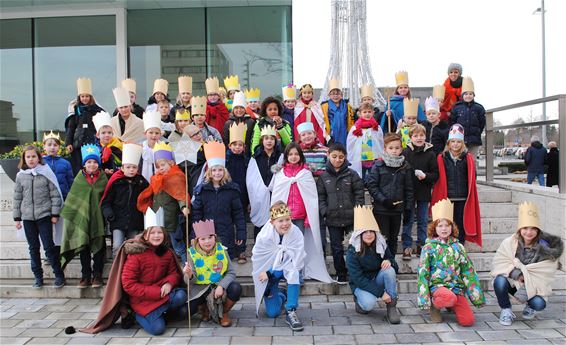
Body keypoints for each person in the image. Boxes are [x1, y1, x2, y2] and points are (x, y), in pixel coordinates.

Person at [491, 202, 564, 326]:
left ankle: (530, 306)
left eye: (533, 228)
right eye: (525, 228)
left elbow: (545, 272)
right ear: (520, 229)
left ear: (538, 230)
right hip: (513, 283)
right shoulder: (510, 242)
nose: (528, 232)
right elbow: (500, 263)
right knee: (499, 281)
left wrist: (528, 278)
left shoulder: (545, 248)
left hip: (535, 287)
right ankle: (506, 309)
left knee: (539, 303)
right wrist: (517, 274)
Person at [269, 143, 333, 283]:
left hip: (300, 215)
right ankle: (283, 270)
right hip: (283, 217)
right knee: (283, 244)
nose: (293, 157)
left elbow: (310, 197)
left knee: (298, 245)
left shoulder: (305, 173)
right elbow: (276, 193)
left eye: (296, 154)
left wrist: (309, 217)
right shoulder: (280, 173)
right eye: (290, 154)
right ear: (286, 156)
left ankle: (297, 272)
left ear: (301, 156)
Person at [417, 199, 485, 325]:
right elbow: (423, 273)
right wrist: (424, 298)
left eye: (447, 225)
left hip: (456, 287)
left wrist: (476, 297)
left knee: (468, 321)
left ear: (452, 227)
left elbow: (468, 271)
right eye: (440, 226)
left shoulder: (458, 247)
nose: (444, 229)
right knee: (448, 297)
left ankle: (450, 303)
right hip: (437, 286)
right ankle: (435, 306)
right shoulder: (429, 247)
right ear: (434, 228)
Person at [121, 207, 188, 336]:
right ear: (146, 235)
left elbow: (173, 273)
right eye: (152, 233)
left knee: (181, 298)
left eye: (160, 232)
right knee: (158, 330)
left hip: (163, 294)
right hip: (143, 300)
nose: (157, 236)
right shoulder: (136, 255)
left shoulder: (167, 253)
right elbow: (128, 284)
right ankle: (137, 315)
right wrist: (156, 292)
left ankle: (160, 314)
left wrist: (169, 283)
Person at [13, 145, 65, 289]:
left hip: (44, 216)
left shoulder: (45, 173)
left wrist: (55, 214)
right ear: (24, 159)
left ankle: (59, 275)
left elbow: (55, 195)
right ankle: (38, 276)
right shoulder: (21, 176)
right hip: (28, 217)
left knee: (49, 247)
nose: (31, 159)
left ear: (39, 157)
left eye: (33, 156)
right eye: (28, 157)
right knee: (33, 248)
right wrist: (17, 218)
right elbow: (17, 197)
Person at [252, 201, 307, 331]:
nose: (285, 224)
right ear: (272, 222)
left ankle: (291, 310)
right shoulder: (264, 236)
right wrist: (267, 274)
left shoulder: (296, 233)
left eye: (287, 219)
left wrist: (271, 272)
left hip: (282, 270)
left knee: (293, 273)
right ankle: (282, 295)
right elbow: (259, 258)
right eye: (280, 221)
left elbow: (296, 261)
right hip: (269, 273)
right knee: (273, 313)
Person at [60, 144, 108, 288]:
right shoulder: (79, 180)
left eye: (94, 162)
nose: (92, 165)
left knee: (99, 247)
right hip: (82, 220)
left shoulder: (104, 179)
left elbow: (108, 198)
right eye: (88, 162)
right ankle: (85, 275)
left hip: (99, 219)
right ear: (84, 164)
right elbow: (72, 201)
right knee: (84, 247)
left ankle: (97, 275)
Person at [317, 143, 365, 283]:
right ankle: (341, 273)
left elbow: (359, 194)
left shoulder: (352, 174)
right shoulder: (323, 177)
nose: (337, 160)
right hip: (333, 218)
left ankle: (355, 272)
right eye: (334, 157)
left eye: (341, 157)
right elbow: (320, 197)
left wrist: (358, 211)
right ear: (328, 156)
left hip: (351, 218)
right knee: (336, 247)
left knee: (354, 246)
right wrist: (325, 211)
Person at [192, 141, 247, 261]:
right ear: (209, 172)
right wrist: (196, 234)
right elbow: (197, 215)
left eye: (220, 170)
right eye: (214, 170)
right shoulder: (202, 190)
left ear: (225, 171)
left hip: (226, 232)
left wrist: (241, 233)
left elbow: (238, 214)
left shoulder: (232, 190)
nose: (217, 173)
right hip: (208, 235)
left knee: (224, 262)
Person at [137, 142, 190, 263]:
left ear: (171, 163)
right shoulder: (156, 179)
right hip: (158, 218)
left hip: (172, 218)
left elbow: (180, 194)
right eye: (158, 166)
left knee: (177, 243)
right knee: (162, 245)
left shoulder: (176, 177)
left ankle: (186, 265)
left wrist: (184, 207)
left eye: (163, 165)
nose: (160, 168)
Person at [183, 219, 242, 326]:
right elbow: (188, 282)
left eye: (210, 237)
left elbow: (231, 272)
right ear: (197, 240)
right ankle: (204, 308)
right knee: (185, 311)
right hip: (200, 288)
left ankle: (223, 313)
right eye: (203, 239)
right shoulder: (191, 253)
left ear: (215, 237)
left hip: (217, 285)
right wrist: (189, 274)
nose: (207, 241)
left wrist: (221, 286)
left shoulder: (222, 250)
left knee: (236, 288)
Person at [346, 206, 400, 323]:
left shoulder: (380, 245)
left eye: (371, 231)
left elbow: (396, 267)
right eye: (365, 232)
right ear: (359, 234)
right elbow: (358, 279)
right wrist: (381, 293)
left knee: (389, 270)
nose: (369, 234)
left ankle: (391, 306)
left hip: (376, 278)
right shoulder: (352, 251)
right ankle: (359, 301)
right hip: (361, 284)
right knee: (368, 305)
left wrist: (389, 261)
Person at [431, 124, 482, 246]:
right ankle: (446, 244)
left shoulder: (467, 158)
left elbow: (472, 176)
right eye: (453, 141)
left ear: (462, 143)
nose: (455, 144)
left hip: (463, 196)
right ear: (448, 143)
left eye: (458, 141)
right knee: (447, 222)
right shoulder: (442, 158)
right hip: (447, 197)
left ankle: (459, 245)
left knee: (460, 222)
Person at [366, 133, 413, 256]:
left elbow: (408, 189)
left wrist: (408, 208)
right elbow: (372, 186)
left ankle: (391, 263)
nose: (394, 151)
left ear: (401, 149)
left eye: (397, 148)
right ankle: (382, 262)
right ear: (385, 149)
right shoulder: (378, 165)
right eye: (391, 148)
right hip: (382, 209)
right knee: (383, 238)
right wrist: (383, 200)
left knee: (393, 238)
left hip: (397, 210)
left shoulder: (405, 167)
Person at [101, 143, 148, 257]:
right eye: (128, 167)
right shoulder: (116, 182)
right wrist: (109, 214)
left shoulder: (142, 183)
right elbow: (106, 201)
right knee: (117, 245)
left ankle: (131, 269)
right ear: (122, 168)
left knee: (134, 246)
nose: (131, 170)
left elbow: (147, 198)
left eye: (134, 167)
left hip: (135, 221)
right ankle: (118, 270)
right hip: (117, 220)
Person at [401, 124, 439, 260]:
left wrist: (426, 176)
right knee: (408, 220)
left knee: (423, 220)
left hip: (423, 191)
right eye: (415, 136)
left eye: (421, 135)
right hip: (409, 192)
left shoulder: (430, 153)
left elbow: (435, 174)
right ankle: (407, 246)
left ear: (425, 136)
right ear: (411, 138)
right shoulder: (405, 152)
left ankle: (422, 245)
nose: (419, 138)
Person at [246, 126, 283, 238]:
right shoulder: (256, 157)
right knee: (260, 226)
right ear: (262, 140)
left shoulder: (280, 157)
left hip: (275, 194)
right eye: (266, 138)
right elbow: (251, 180)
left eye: (272, 138)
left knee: (276, 223)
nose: (269, 141)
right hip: (259, 195)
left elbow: (282, 175)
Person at [65, 77, 104, 175]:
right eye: (82, 96)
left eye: (87, 96)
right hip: (78, 144)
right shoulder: (75, 110)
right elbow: (71, 128)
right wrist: (68, 143)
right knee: (79, 167)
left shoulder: (97, 110)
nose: (85, 98)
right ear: (79, 97)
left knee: (93, 166)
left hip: (93, 143)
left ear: (90, 97)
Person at [450, 77, 485, 162]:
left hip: (474, 140)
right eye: (466, 94)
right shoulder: (457, 107)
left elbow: (482, 123)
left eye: (470, 94)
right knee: (460, 161)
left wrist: (477, 132)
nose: (468, 96)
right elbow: (452, 122)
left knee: (472, 161)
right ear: (462, 95)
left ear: (473, 95)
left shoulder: (479, 108)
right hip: (460, 140)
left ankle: (473, 175)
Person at [346, 102, 384, 179]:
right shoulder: (355, 128)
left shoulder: (376, 127)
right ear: (359, 114)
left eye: (369, 112)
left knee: (373, 175)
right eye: (365, 112)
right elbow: (350, 142)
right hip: (360, 157)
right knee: (360, 176)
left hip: (373, 157)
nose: (367, 114)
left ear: (373, 113)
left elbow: (380, 141)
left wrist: (381, 152)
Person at [321, 78, 354, 145]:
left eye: (338, 94)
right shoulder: (324, 107)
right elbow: (322, 121)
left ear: (341, 95)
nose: (335, 96)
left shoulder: (347, 106)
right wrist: (327, 136)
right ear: (329, 95)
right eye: (333, 94)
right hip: (331, 134)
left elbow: (350, 121)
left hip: (344, 134)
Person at [42, 131, 73, 200]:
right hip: (46, 197)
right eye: (49, 145)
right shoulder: (40, 163)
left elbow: (70, 181)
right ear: (44, 146)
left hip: (62, 196)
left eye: (55, 145)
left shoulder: (66, 163)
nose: (52, 147)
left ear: (59, 147)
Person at [92, 111, 123, 177]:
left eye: (109, 132)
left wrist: (114, 170)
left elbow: (123, 162)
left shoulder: (119, 146)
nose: (107, 135)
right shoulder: (95, 149)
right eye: (103, 133)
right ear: (98, 135)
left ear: (113, 134)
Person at [140, 111, 163, 183]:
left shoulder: (164, 148)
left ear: (160, 134)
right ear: (145, 133)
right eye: (151, 132)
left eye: (157, 133)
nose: (154, 135)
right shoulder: (141, 149)